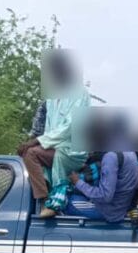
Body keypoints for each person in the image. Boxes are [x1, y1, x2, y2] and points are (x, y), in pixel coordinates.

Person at [17, 50, 89, 217]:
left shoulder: (79, 92)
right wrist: (33, 141)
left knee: (32, 153)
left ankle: (45, 202)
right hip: (54, 146)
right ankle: (46, 198)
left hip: (73, 148)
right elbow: (47, 129)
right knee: (26, 154)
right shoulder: (51, 98)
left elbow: (69, 127)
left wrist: (36, 142)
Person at [67, 150, 138, 222]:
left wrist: (78, 182)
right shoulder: (130, 152)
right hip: (123, 205)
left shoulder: (111, 157)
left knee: (68, 202)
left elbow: (105, 196)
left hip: (111, 212)